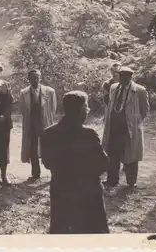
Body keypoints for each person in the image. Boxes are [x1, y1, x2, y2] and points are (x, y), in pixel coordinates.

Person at [41, 91, 109, 234]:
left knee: (61, 233)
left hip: (60, 191)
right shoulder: (89, 134)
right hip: (88, 194)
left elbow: (47, 163)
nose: (88, 111)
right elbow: (103, 163)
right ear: (81, 110)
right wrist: (86, 176)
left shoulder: (48, 133)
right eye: (87, 107)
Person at [102, 66, 150, 189]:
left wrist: (135, 123)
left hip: (129, 128)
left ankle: (131, 182)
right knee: (112, 154)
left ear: (130, 77)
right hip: (114, 128)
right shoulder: (113, 88)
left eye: (126, 76)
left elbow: (144, 110)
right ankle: (112, 180)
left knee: (131, 156)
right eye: (121, 76)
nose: (123, 78)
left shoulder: (139, 90)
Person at [20, 69, 57, 182]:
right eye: (33, 78)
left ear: (41, 78)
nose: (35, 80)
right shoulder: (24, 93)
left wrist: (45, 118)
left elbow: (53, 109)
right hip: (31, 125)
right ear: (29, 79)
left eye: (37, 77)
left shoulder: (50, 92)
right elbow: (23, 110)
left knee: (48, 148)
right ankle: (35, 173)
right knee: (33, 149)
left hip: (45, 124)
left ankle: (54, 173)